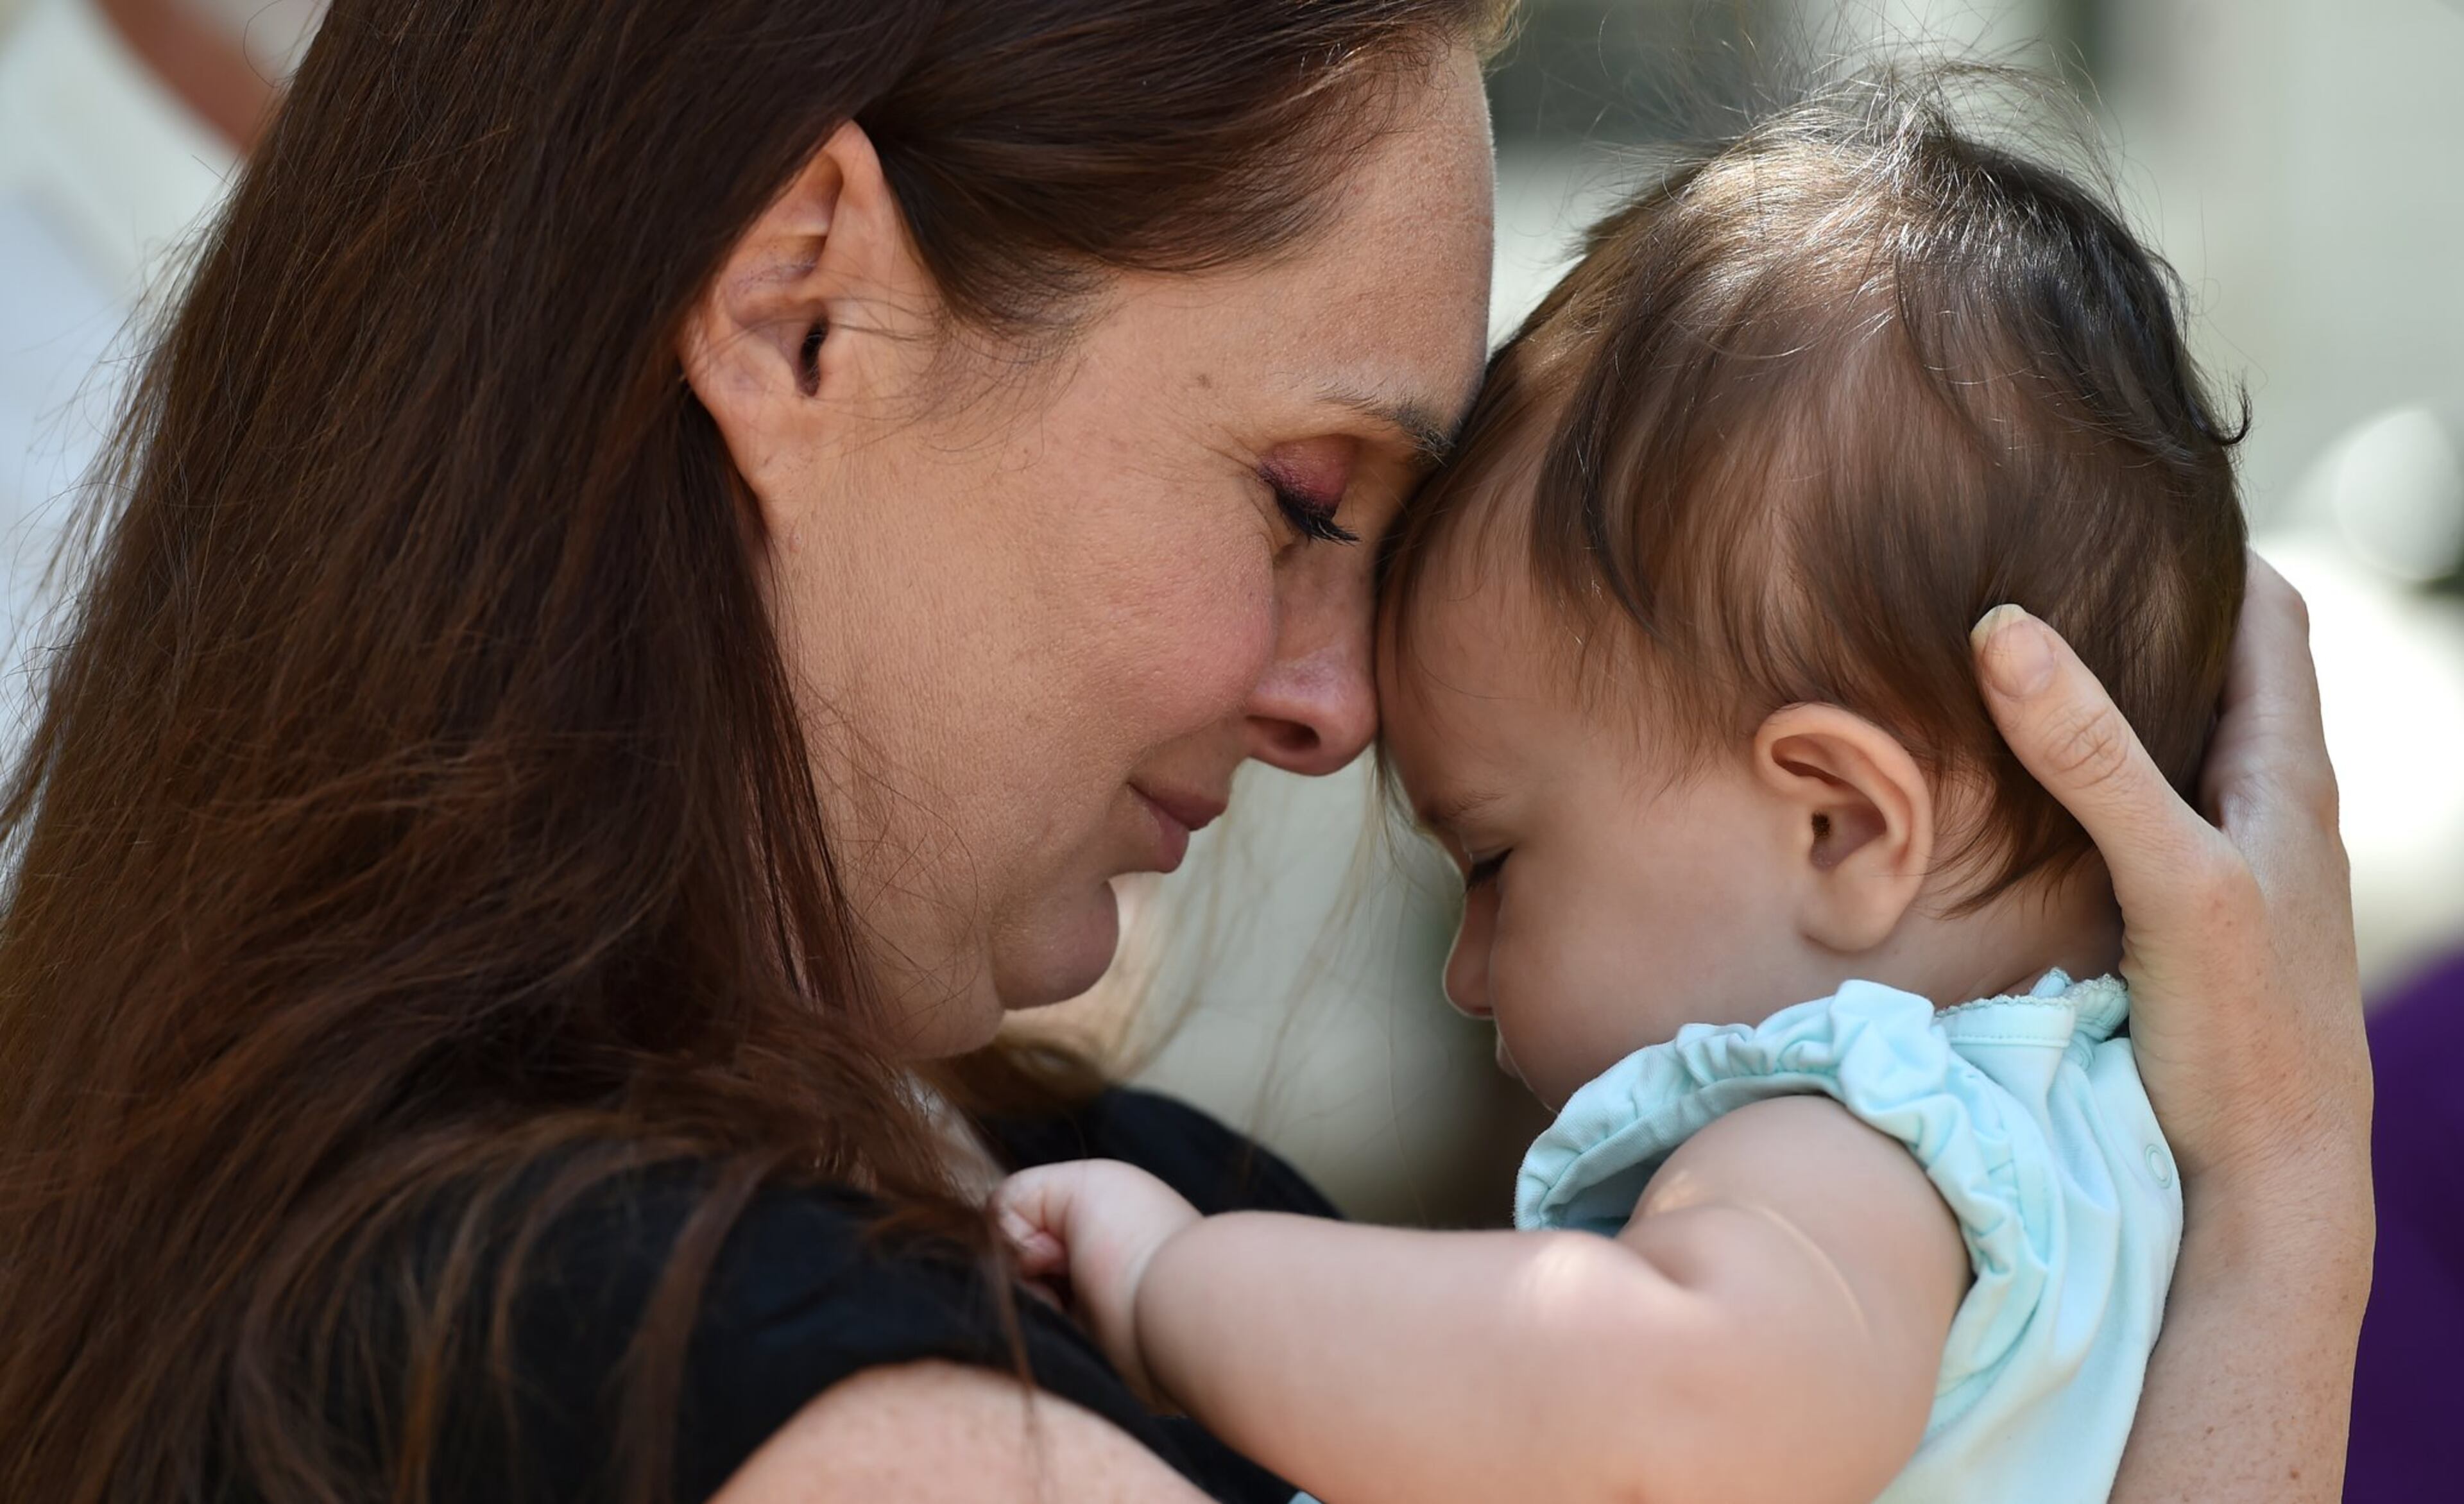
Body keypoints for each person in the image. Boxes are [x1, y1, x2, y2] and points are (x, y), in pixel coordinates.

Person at [0, 4, 2371, 1503]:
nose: (1346, 711)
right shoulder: (775, 1391)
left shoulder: (991, 1197)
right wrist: (2277, 1233)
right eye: (1309, 494)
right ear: (798, 306)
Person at [995, 80, 2254, 1504]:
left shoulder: (1852, 1132)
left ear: (1837, 826)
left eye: (1494, 862)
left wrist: (1173, 1284)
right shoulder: (2094, 1160)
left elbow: (1675, 1387)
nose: (1468, 977)